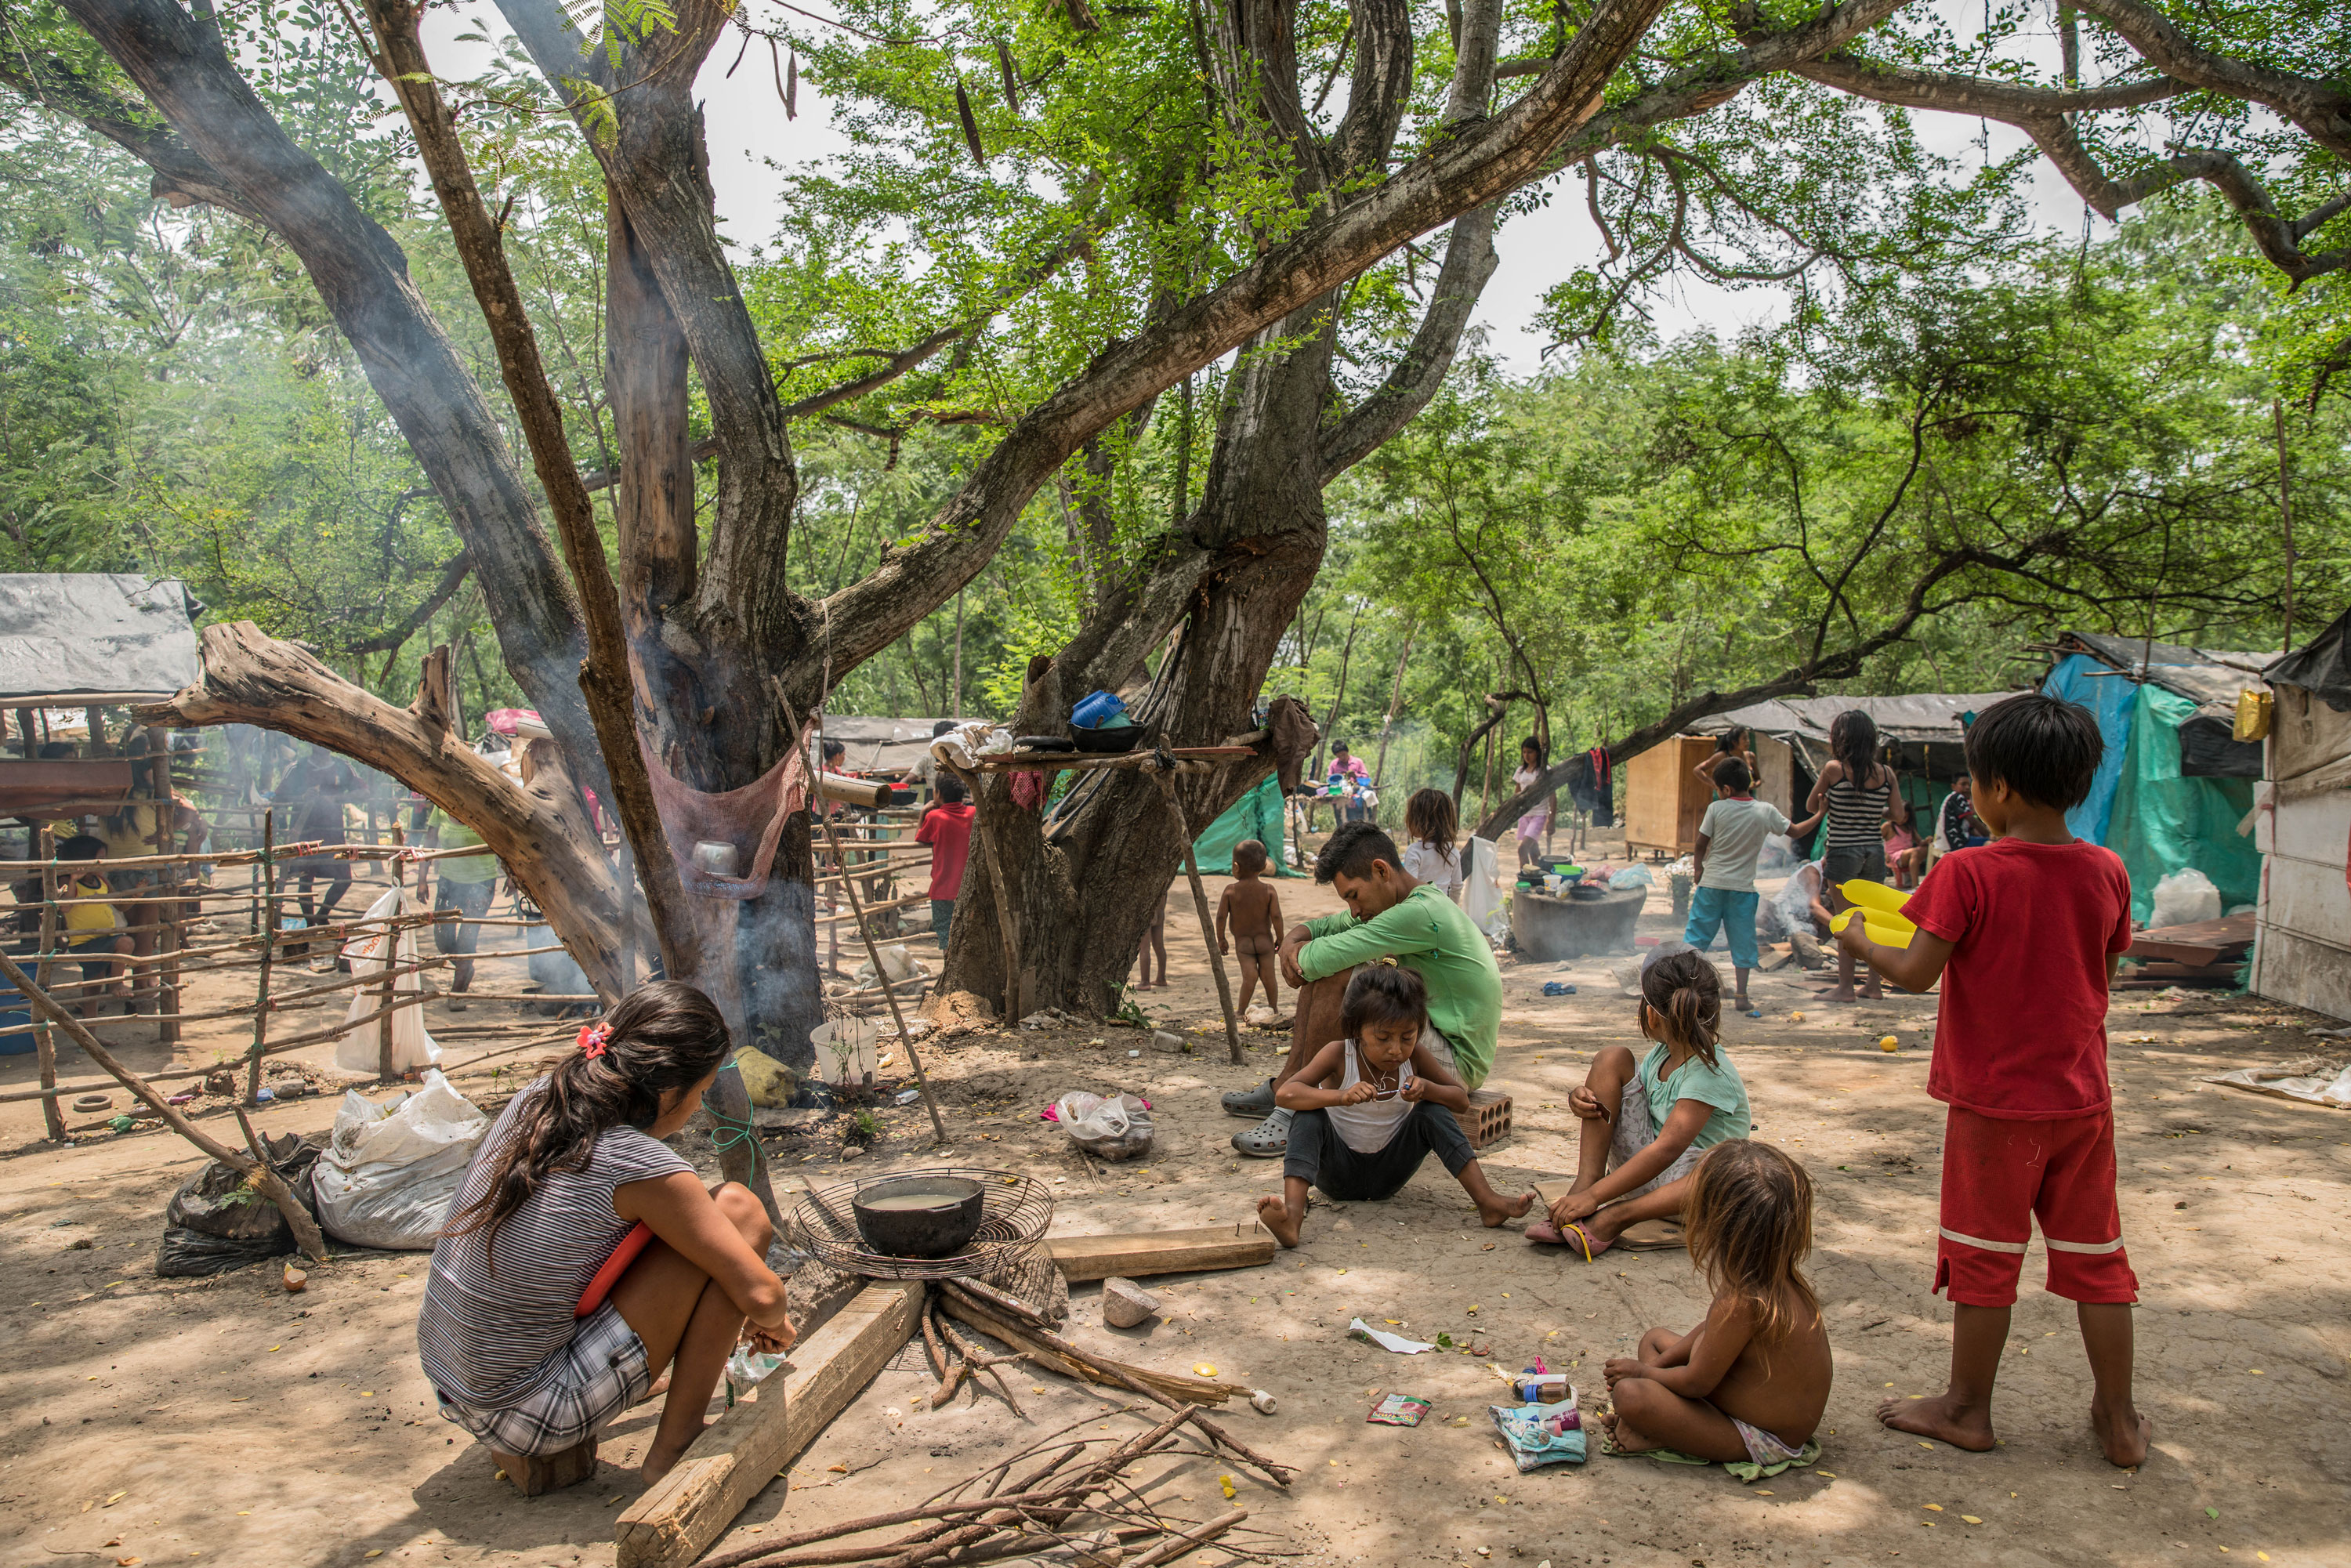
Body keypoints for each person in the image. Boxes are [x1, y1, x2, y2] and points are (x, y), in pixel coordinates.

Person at [1833, 692, 2146, 1468]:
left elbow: (1913, 973)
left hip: (1993, 1109)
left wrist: (1856, 935)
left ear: (1996, 788)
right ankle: (2119, 1419)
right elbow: (2099, 977)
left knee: (1983, 1255)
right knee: (2097, 1259)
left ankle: (1968, 1408)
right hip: (2082, 1101)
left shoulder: (1969, 873)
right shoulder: (2107, 870)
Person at [418, 982, 795, 1486]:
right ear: (668, 1091)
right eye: (701, 1093)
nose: (697, 1108)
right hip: (523, 1409)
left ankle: (631, 1380)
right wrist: (775, 1325)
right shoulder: (636, 1162)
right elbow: (763, 1293)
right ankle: (676, 1442)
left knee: (699, 1234)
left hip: (451, 1377)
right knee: (738, 1212)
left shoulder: (540, 1098)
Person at [1224, 822, 1503, 1157]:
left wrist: (1293, 953)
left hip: (1454, 1065)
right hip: (1426, 1037)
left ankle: (1294, 1104)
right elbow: (1322, 927)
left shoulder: (1417, 913)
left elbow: (1316, 961)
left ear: (1381, 871)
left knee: (1345, 975)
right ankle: (1288, 1084)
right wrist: (1293, 940)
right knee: (1337, 972)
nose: (1354, 910)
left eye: (1354, 896)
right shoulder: (1400, 903)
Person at [1254, 966, 1532, 1247]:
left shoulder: (1416, 1058)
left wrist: (1428, 1089)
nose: (1396, 1050)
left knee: (1432, 1112)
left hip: (1389, 1173)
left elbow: (1459, 1100)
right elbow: (1286, 1094)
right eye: (1383, 1038)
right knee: (1308, 1114)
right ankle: (1292, 1216)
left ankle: (1488, 1202)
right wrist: (1341, 1096)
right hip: (1336, 1173)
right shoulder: (1339, 1054)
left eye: (1407, 1038)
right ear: (1357, 1031)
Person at [1596, 1140, 1832, 1466]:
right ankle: (1655, 1425)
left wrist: (1642, 1373)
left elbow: (1696, 1382)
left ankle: (1656, 1431)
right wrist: (1657, 1369)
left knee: (1630, 1396)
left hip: (1762, 1438)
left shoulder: (1744, 1299)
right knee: (1654, 1338)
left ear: (1713, 1222)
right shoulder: (1769, 1275)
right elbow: (1709, 1332)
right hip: (1737, 1400)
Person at [1527, 948, 1751, 1259]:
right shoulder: (1662, 1055)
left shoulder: (1710, 1074)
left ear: (1650, 1015)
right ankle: (1582, 1187)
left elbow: (1667, 1150)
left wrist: (1597, 1198)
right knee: (1613, 1057)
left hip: (1687, 1194)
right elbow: (1633, 1112)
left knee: (1728, 1170)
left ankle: (1615, 1216)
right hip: (1642, 1173)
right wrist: (1584, 1098)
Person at [1686, 756, 1788, 1016]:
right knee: (1743, 942)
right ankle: (1742, 996)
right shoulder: (1765, 810)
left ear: (1726, 790)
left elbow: (1700, 844)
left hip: (1711, 886)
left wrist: (1699, 869)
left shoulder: (1717, 808)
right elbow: (1795, 831)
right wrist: (1821, 813)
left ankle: (1688, 993)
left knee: (1696, 939)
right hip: (1742, 890)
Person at [1805, 711, 1895, 1002]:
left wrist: (1835, 803)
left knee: (1846, 921)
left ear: (1840, 738)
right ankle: (1874, 986)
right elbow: (1899, 814)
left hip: (1843, 852)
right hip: (1875, 852)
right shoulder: (1886, 773)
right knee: (1871, 921)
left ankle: (1844, 989)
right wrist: (1871, 810)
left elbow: (1810, 806)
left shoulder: (1834, 770)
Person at [275, 746, 357, 961]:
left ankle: (321, 916)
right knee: (305, 880)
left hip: (333, 834)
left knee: (344, 879)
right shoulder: (298, 768)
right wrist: (301, 796)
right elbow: (279, 797)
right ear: (311, 744)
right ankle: (311, 924)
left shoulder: (342, 766)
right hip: (305, 832)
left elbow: (364, 792)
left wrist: (337, 799)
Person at [426, 805, 498, 1012]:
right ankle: (465, 968)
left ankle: (457, 992)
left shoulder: (479, 803)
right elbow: (430, 839)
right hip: (449, 881)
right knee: (443, 939)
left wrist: (511, 875)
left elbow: (504, 838)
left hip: (481, 883)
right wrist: (422, 879)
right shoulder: (440, 806)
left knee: (467, 938)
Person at [54, 835, 136, 1014]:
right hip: (85, 944)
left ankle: (90, 1036)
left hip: (104, 939)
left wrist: (136, 897)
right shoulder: (66, 881)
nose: (103, 862)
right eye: (100, 858)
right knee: (126, 942)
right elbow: (65, 908)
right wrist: (74, 879)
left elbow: (120, 905)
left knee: (91, 995)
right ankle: (115, 984)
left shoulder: (101, 880)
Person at [1215, 838, 1284, 1016]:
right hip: (1265, 941)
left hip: (1244, 943)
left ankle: (1240, 1011)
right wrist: (1281, 937)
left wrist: (1221, 938)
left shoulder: (1230, 891)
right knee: (1269, 976)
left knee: (1250, 976)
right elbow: (1276, 916)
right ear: (1263, 867)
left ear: (1236, 867)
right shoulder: (1269, 890)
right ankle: (1274, 1008)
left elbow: (1221, 916)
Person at [914, 773, 976, 951]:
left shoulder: (935, 817)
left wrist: (923, 811)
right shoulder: (973, 813)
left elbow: (920, 837)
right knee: (969, 938)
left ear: (938, 793)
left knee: (947, 941)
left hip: (942, 890)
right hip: (971, 889)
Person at [1399, 788, 1463, 901]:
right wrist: (1453, 909)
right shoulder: (1452, 851)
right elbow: (1457, 886)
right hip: (1443, 909)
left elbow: (1409, 890)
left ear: (1417, 820)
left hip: (1420, 911)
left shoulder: (1414, 851)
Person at [1510, 737, 1551, 870]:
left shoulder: (1543, 771)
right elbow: (1517, 793)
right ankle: (1540, 874)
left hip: (1539, 814)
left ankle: (1525, 878)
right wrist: (1514, 811)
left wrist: (1553, 818)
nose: (1526, 755)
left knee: (1522, 849)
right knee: (1534, 850)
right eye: (1524, 752)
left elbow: (1552, 795)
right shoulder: (1520, 771)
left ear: (1537, 753)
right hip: (1524, 814)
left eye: (1530, 752)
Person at [1933, 775, 1987, 864]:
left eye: (1969, 785)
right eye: (1963, 784)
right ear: (1953, 786)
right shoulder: (1957, 797)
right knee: (1990, 844)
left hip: (1946, 843)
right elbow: (1972, 821)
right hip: (1954, 844)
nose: (1967, 787)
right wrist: (1989, 835)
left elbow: (1971, 828)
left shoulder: (1952, 799)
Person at [1133, 885, 1168, 991]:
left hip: (1147, 914)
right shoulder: (1164, 882)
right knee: (1159, 946)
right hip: (1160, 913)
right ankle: (1161, 978)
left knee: (1144, 948)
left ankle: (1145, 982)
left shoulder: (1147, 883)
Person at [1326, 741, 1370, 824]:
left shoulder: (1358, 762)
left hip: (1355, 801)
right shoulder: (1334, 764)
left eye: (1343, 755)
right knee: (1341, 825)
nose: (1342, 758)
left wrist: (1355, 775)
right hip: (1340, 800)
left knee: (1356, 824)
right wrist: (1338, 778)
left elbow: (1366, 777)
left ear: (1347, 751)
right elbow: (1329, 779)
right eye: (1339, 756)